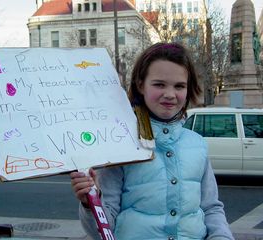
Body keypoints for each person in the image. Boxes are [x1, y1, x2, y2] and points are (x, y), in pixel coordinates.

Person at [70, 42, 234, 240]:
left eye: (179, 86)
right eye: (159, 84)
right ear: (141, 85)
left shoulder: (197, 144)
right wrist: (91, 203)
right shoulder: (121, 144)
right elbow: (104, 227)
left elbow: (211, 208)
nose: (170, 94)